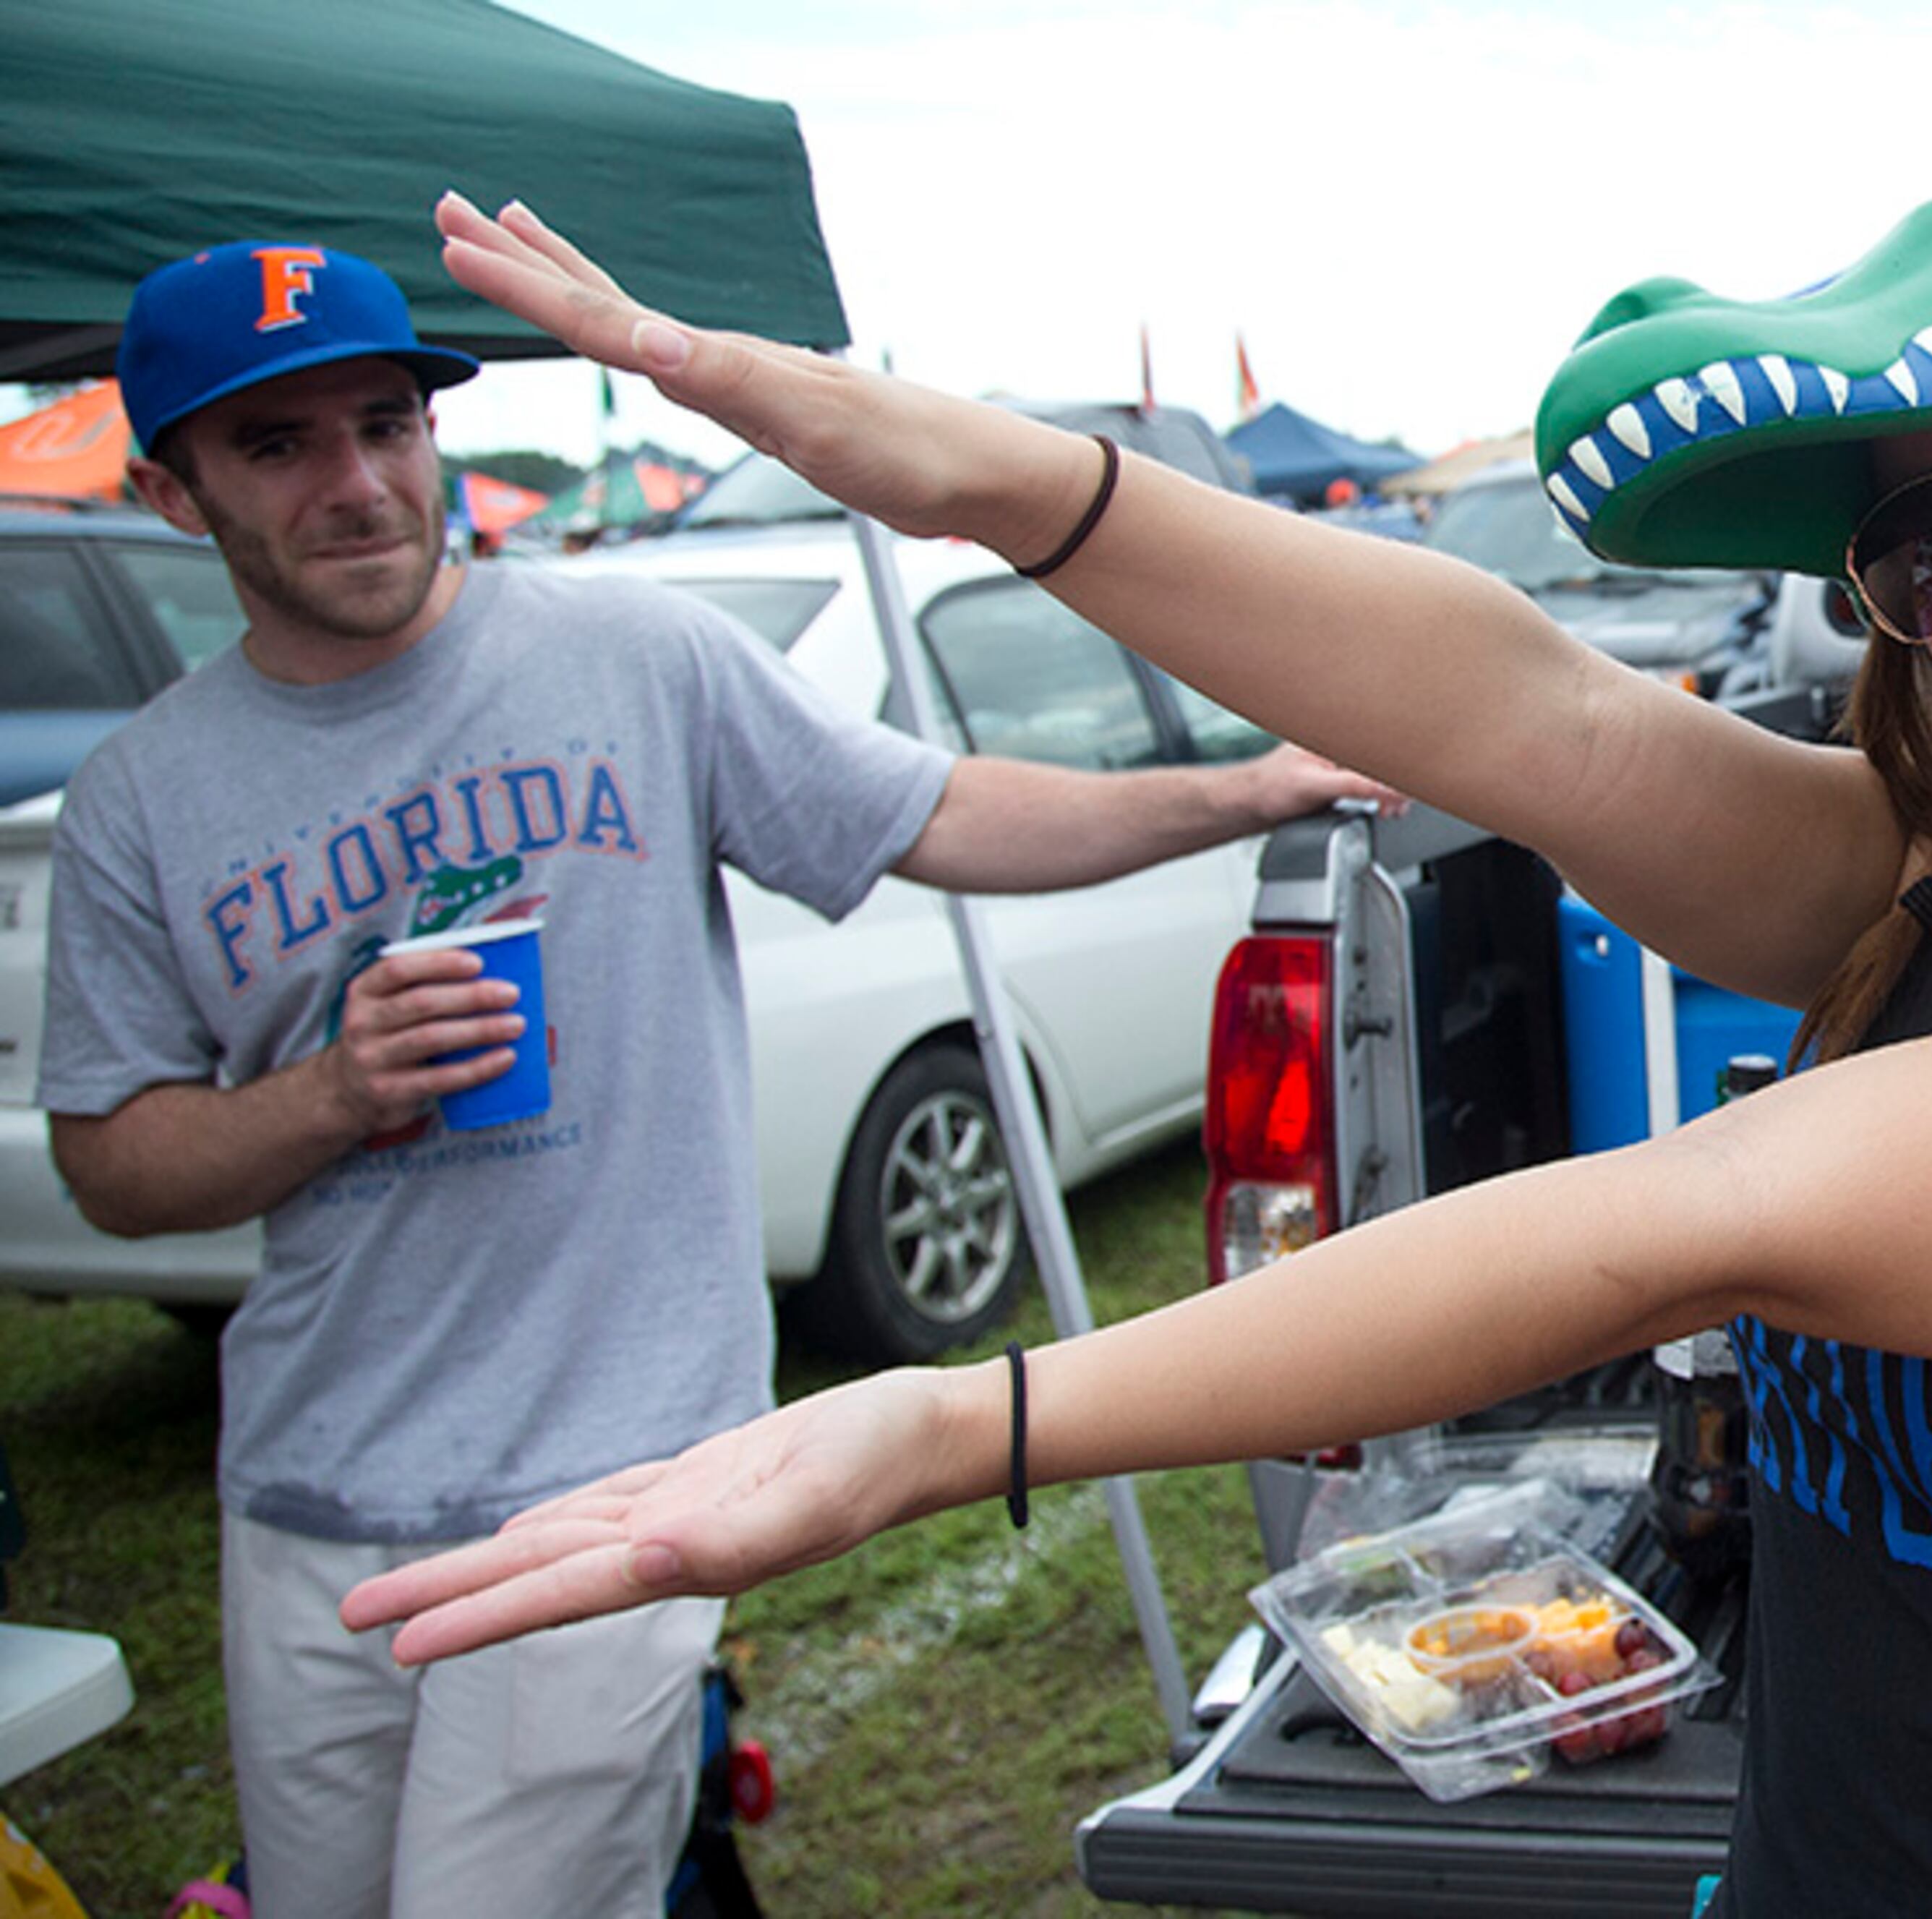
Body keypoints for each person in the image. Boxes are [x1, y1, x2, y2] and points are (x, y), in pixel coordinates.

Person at [343, 112, 1932, 1917]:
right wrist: (954, 463)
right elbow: (1530, 712)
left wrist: (943, 1427)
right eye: (1925, 541)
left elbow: (1688, 1216)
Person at [38, 238, 1395, 1919]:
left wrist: (1244, 788)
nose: (358, 482)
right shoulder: (138, 800)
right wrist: (331, 1090)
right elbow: (111, 1163)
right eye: (278, 446)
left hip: (619, 1460)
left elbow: (936, 814)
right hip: (308, 1492)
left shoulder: (634, 661)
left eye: (385, 422)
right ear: (174, 495)